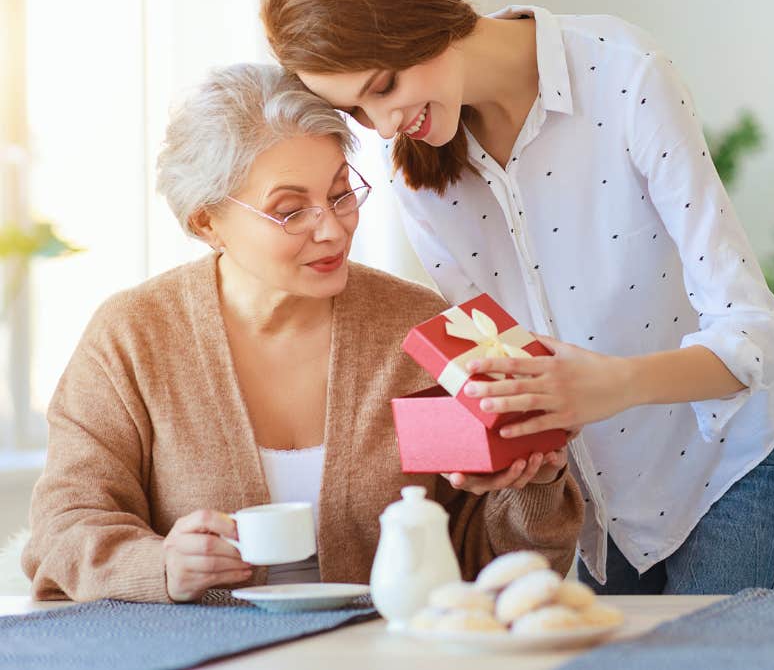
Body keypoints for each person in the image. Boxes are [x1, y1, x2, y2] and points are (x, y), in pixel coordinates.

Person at [259, 0, 774, 594]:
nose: (384, 124)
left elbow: (756, 336)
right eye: (356, 111)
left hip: (740, 462)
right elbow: (508, 363)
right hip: (605, 506)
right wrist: (510, 445)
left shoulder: (623, 74)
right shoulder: (418, 175)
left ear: (425, 15)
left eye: (383, 86)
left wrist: (609, 385)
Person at [22, 64, 583, 603]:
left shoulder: (423, 327)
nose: (333, 228)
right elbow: (63, 528)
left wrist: (534, 480)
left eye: (341, 193)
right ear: (206, 222)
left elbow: (489, 566)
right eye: (291, 211)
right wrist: (160, 564)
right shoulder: (132, 336)